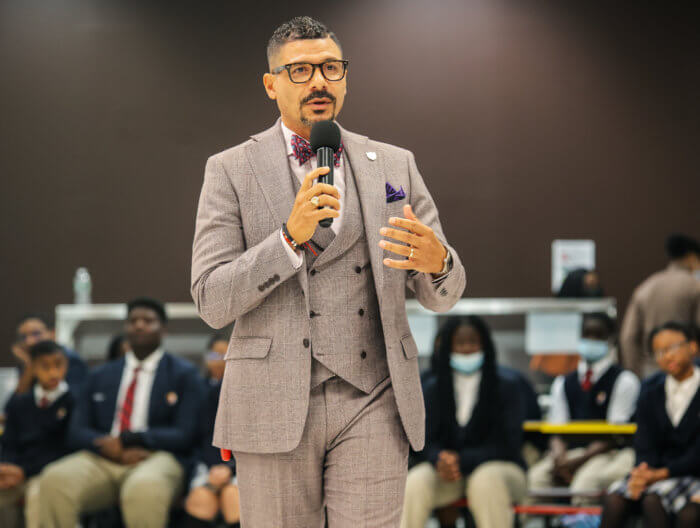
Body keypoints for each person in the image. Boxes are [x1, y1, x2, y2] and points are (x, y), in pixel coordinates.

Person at [190, 16, 466, 527]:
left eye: (330, 68)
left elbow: (442, 293)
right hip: (270, 399)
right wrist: (287, 240)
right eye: (300, 71)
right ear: (271, 84)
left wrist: (441, 263)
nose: (319, 81)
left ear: (345, 77)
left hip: (376, 395)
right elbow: (210, 300)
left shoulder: (394, 164)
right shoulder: (229, 169)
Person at [38, 297, 204, 528]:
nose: (139, 325)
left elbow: (185, 433)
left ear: (163, 329)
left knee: (143, 488)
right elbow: (76, 430)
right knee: (53, 480)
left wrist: (132, 439)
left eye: (148, 320)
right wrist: (108, 446)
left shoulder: (184, 374)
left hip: (157, 456)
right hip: (103, 455)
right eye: (133, 320)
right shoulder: (100, 375)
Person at [401, 316, 527, 528]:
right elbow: (423, 440)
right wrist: (439, 458)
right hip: (449, 474)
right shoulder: (432, 388)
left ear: (485, 345)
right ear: (448, 347)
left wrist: (460, 459)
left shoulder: (507, 386)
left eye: (473, 342)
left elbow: (509, 445)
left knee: (485, 481)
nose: (467, 348)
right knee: (415, 481)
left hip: (501, 469)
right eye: (460, 343)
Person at [528, 313, 640, 505]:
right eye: (587, 335)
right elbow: (556, 429)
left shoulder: (624, 380)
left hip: (606, 453)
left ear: (610, 339)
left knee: (584, 485)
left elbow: (616, 434)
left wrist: (577, 462)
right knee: (534, 479)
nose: (591, 341)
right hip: (570, 452)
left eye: (598, 336)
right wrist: (559, 458)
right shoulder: (563, 381)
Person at [601, 322, 700, 528]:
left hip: (691, 473)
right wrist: (643, 473)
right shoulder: (650, 391)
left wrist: (660, 475)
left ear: (693, 347)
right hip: (657, 474)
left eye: (672, 347)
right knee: (614, 498)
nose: (667, 356)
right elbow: (644, 442)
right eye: (659, 352)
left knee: (655, 501)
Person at [0, 340, 75, 528]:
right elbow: (9, 442)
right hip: (18, 472)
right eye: (45, 366)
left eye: (58, 365)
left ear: (66, 365)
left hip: (49, 472)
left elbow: (66, 447)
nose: (53, 372)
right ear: (32, 368)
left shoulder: (74, 401)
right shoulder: (20, 403)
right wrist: (6, 467)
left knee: (38, 498)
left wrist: (23, 470)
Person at [620, 233, 700, 378]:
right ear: (691, 258)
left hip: (650, 369)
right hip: (687, 370)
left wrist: (635, 373)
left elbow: (628, 337)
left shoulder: (646, 287)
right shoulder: (695, 286)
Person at [182, 380, 239, 528]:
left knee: (233, 497)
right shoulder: (218, 389)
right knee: (201, 498)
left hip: (251, 466)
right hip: (213, 464)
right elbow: (208, 437)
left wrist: (231, 468)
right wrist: (219, 467)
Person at [11, 312, 88, 394]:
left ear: (52, 333)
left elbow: (74, 400)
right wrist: (29, 365)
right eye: (23, 337)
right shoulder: (27, 359)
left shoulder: (71, 360)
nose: (29, 342)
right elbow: (18, 400)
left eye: (36, 333)